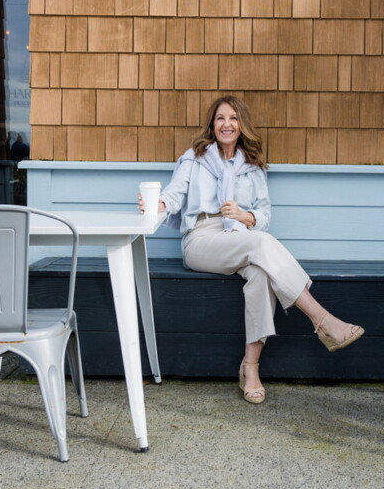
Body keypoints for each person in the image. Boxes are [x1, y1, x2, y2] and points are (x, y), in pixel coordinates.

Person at [138, 95, 364, 405]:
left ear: (241, 125)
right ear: (212, 124)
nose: (226, 124)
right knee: (260, 244)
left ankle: (250, 367)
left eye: (233, 118)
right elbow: (174, 196)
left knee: (260, 274)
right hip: (202, 240)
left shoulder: (254, 167)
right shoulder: (194, 158)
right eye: (220, 118)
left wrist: (245, 216)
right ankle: (322, 320)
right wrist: (158, 204)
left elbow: (264, 217)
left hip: (241, 237)